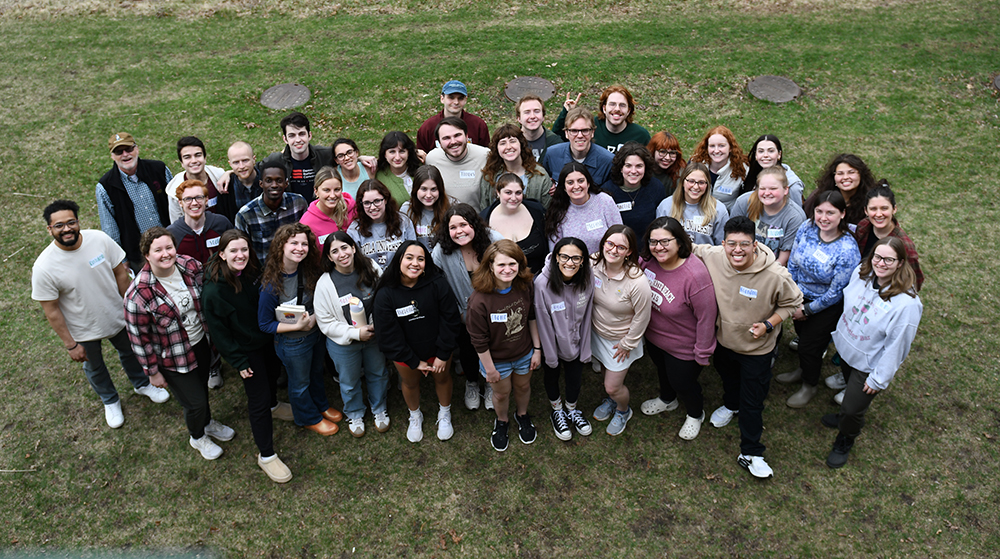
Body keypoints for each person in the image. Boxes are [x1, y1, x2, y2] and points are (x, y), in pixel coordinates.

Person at [32, 200, 170, 429]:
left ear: (78, 222)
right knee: (95, 367)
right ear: (49, 229)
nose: (66, 229)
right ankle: (110, 400)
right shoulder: (44, 267)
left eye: (70, 222)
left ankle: (141, 384)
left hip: (119, 316)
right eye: (59, 226)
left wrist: (132, 310)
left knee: (130, 353)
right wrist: (70, 344)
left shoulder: (99, 239)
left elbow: (120, 274)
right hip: (83, 330)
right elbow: (51, 309)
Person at [692, 216, 803, 479]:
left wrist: (768, 323)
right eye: (732, 244)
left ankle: (752, 452)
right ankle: (731, 405)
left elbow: (792, 304)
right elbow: (687, 248)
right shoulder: (713, 255)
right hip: (723, 341)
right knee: (728, 378)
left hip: (757, 349)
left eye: (745, 244)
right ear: (723, 243)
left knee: (753, 402)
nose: (737, 250)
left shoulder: (776, 275)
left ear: (755, 245)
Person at [124, 227, 236, 460]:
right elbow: (138, 338)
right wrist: (152, 373)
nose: (165, 254)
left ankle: (206, 422)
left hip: (201, 344)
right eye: (158, 250)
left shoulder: (189, 266)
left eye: (169, 247)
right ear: (146, 254)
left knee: (201, 390)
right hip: (172, 356)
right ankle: (198, 436)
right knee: (194, 402)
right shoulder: (138, 294)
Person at [202, 230, 293, 483]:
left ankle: (275, 406)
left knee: (274, 375)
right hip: (245, 349)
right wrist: (239, 362)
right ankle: (266, 455)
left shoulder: (253, 270)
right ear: (221, 254)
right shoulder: (213, 292)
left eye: (244, 249)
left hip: (267, 337)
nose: (240, 255)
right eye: (233, 251)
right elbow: (219, 334)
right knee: (258, 398)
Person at [823, 237, 922, 468]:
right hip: (848, 349)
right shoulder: (862, 272)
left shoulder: (907, 305)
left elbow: (898, 345)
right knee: (848, 392)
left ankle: (845, 438)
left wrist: (879, 378)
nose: (881, 263)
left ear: (900, 263)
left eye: (889, 259)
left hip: (869, 364)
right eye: (877, 256)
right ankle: (844, 418)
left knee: (852, 408)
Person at [774, 191, 860, 409]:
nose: (823, 217)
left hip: (825, 306)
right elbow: (793, 260)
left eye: (830, 212)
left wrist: (808, 310)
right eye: (819, 211)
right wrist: (793, 296)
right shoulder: (807, 227)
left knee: (810, 348)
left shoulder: (848, 249)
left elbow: (837, 291)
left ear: (842, 214)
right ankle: (803, 369)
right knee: (802, 338)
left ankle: (809, 385)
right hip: (798, 297)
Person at [257, 223, 343, 436]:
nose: (299, 248)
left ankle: (320, 405)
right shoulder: (271, 284)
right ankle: (307, 417)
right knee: (300, 382)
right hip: (293, 343)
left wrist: (315, 319)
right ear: (281, 246)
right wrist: (297, 326)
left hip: (315, 335)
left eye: (304, 244)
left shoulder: (309, 270)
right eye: (293, 243)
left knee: (316, 374)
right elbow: (265, 324)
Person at [373, 241, 462, 442]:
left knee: (443, 378)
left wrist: (442, 353)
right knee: (410, 383)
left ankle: (445, 412)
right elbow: (388, 333)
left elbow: (450, 319)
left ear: (426, 263)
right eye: (409, 258)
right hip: (405, 353)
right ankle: (415, 415)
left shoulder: (438, 283)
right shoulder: (386, 293)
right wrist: (413, 361)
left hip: (437, 349)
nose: (415, 263)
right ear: (399, 261)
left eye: (420, 259)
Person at [639, 217, 718, 441]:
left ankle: (695, 413)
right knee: (663, 372)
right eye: (653, 242)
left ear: (680, 242)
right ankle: (667, 399)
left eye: (665, 241)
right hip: (654, 338)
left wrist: (702, 352)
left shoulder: (695, 275)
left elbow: (706, 317)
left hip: (684, 346)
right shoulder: (648, 261)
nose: (659, 247)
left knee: (683, 382)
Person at [467, 240, 541, 450]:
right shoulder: (479, 300)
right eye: (501, 265)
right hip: (496, 360)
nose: (507, 270)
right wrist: (489, 370)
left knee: (524, 386)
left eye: (513, 264)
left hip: (524, 353)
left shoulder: (525, 285)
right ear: (490, 266)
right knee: (501, 393)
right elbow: (478, 340)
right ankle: (502, 421)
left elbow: (531, 317)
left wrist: (537, 349)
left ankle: (522, 415)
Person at [315, 232, 390, 438]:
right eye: (335, 251)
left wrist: (376, 327)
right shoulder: (325, 284)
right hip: (344, 343)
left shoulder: (372, 269)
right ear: (329, 257)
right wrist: (355, 333)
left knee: (378, 373)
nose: (341, 254)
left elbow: (385, 299)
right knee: (349, 380)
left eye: (345, 248)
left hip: (374, 337)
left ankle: (379, 407)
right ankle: (355, 412)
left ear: (354, 248)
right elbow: (326, 322)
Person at [432, 204, 505, 411]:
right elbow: (438, 288)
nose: (459, 231)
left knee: (495, 348)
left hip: (495, 313)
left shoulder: (495, 241)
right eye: (452, 227)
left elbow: (510, 270)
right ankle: (472, 383)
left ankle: (491, 384)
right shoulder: (441, 252)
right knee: (468, 350)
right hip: (462, 315)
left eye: (463, 224)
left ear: (474, 224)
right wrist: (458, 314)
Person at [590, 225, 651, 436]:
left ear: (629, 252)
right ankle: (612, 401)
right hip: (598, 333)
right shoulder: (594, 263)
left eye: (621, 247)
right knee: (607, 372)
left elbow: (643, 316)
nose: (614, 250)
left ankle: (623, 410)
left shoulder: (637, 281)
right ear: (603, 243)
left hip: (621, 341)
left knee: (612, 386)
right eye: (610, 244)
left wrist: (627, 343)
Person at [534, 237, 595, 441]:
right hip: (552, 344)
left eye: (577, 258)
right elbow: (543, 322)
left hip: (576, 343)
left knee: (575, 378)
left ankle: (571, 408)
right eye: (565, 257)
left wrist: (585, 347)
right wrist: (550, 357)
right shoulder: (542, 284)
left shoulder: (588, 278)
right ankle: (557, 410)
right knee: (552, 375)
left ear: (584, 260)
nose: (570, 262)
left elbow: (587, 315)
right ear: (556, 258)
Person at [96, 132, 173, 272]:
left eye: (129, 149)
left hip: (171, 245)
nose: (125, 154)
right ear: (112, 156)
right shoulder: (105, 186)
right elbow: (110, 228)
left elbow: (176, 203)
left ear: (137, 149)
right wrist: (122, 260)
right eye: (119, 152)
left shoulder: (159, 170)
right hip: (138, 257)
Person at [234, 155, 309, 262]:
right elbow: (240, 249)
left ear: (286, 183)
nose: (274, 185)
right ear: (261, 183)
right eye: (268, 181)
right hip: (262, 272)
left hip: (295, 266)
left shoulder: (298, 203)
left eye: (279, 180)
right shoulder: (245, 215)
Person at [730, 167, 807, 266]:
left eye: (773, 188)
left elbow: (783, 259)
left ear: (785, 190)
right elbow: (732, 237)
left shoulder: (795, 217)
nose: (766, 193)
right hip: (740, 261)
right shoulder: (744, 202)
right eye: (762, 188)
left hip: (772, 268)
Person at [853, 181, 923, 290]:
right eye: (873, 209)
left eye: (884, 208)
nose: (879, 214)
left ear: (894, 209)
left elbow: (915, 280)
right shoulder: (863, 227)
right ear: (866, 211)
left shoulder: (904, 245)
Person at [544, 162, 623, 254]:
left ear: (588, 183)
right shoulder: (557, 211)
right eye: (570, 183)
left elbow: (620, 236)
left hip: (606, 264)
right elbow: (555, 252)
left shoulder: (605, 201)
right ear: (564, 187)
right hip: (573, 266)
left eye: (581, 181)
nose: (576, 186)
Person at [481, 174, 547, 274]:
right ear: (498, 192)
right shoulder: (484, 219)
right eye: (508, 192)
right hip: (501, 282)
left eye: (518, 193)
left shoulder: (537, 211)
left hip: (536, 277)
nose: (513, 198)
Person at [552, 86, 651, 153]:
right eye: (612, 104)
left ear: (629, 110)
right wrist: (567, 112)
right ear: (604, 108)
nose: (617, 109)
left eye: (622, 105)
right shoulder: (590, 126)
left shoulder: (640, 136)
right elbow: (556, 138)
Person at [479, 124, 553, 209]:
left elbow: (547, 211)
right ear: (497, 149)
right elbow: (484, 209)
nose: (508, 147)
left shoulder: (540, 175)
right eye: (503, 143)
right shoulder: (490, 176)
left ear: (521, 144)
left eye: (512, 141)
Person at [347, 180, 417, 268]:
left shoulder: (403, 222)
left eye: (377, 201)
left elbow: (414, 254)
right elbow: (355, 265)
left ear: (386, 199)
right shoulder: (354, 229)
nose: (372, 207)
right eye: (367, 203)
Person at [602, 142, 666, 238]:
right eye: (628, 166)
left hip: (648, 247)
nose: (633, 171)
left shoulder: (656, 188)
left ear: (645, 167)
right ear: (620, 168)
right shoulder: (607, 191)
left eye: (639, 166)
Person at [424, 117, 491, 209]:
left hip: (478, 219)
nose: (453, 142)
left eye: (457, 135)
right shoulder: (432, 159)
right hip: (444, 220)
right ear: (439, 142)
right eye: (446, 138)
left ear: (467, 136)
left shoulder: (485, 156)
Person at [656, 162, 729, 245]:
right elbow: (659, 240)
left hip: (705, 257)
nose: (695, 187)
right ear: (682, 182)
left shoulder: (718, 210)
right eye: (691, 181)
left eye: (701, 182)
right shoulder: (666, 206)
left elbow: (721, 246)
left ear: (707, 185)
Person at [166, 136, 235, 223]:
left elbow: (242, 170)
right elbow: (176, 223)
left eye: (198, 155)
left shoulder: (218, 175)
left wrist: (228, 173)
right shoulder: (174, 191)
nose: (194, 160)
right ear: (181, 163)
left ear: (205, 158)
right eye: (187, 157)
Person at [542, 107, 615, 186]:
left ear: (592, 132)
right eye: (574, 131)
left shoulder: (608, 161)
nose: (580, 135)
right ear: (566, 133)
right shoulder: (551, 155)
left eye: (585, 130)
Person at [167, 180, 233, 265]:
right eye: (188, 199)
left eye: (199, 197)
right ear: (180, 203)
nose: (194, 203)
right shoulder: (173, 233)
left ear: (206, 200)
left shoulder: (222, 224)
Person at [805, 153, 877, 231]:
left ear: (861, 175)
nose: (845, 177)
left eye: (851, 172)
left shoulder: (872, 200)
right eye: (840, 173)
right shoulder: (820, 196)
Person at [273, 112, 334, 201]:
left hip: (321, 210)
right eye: (292, 136)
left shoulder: (325, 155)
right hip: (293, 212)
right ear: (285, 139)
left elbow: (346, 157)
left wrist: (359, 159)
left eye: (302, 134)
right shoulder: (277, 160)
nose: (298, 140)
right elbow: (253, 170)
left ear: (309, 135)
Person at [416, 79, 490, 152]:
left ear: (466, 100)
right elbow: (421, 157)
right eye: (451, 97)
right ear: (442, 98)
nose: (456, 102)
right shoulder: (428, 127)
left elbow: (486, 155)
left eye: (460, 98)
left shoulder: (478, 125)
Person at [689, 125, 748, 211]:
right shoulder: (695, 163)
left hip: (727, 217)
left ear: (730, 148)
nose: (716, 151)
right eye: (712, 146)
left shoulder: (743, 169)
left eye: (721, 146)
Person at [299, 166, 357, 246]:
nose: (332, 195)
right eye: (326, 190)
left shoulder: (352, 209)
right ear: (316, 191)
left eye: (337, 189)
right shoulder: (307, 223)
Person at [401, 165, 454, 249]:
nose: (428, 195)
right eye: (424, 189)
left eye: (433, 189)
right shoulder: (406, 209)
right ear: (415, 189)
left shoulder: (452, 206)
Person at [742, 135, 804, 207]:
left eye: (771, 151)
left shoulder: (793, 186)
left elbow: (796, 213)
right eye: (761, 151)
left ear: (779, 154)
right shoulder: (749, 174)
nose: (765, 155)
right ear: (756, 155)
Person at [375, 131, 423, 204]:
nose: (397, 157)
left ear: (408, 152)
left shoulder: (421, 169)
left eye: (402, 151)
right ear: (384, 154)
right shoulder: (378, 175)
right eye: (392, 152)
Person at [515, 94, 564, 165]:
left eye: (536, 111)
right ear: (519, 119)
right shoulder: (510, 144)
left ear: (543, 116)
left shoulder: (556, 144)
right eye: (527, 112)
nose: (532, 116)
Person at [227, 141, 263, 212]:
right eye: (236, 162)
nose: (241, 166)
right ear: (230, 164)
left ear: (253, 159)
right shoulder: (227, 188)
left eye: (245, 160)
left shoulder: (267, 180)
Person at [646, 131, 686, 195]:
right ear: (653, 151)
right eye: (662, 152)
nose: (667, 157)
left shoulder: (679, 173)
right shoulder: (643, 168)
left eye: (672, 153)